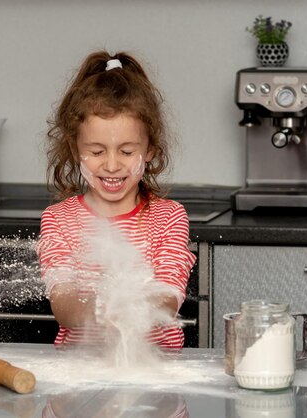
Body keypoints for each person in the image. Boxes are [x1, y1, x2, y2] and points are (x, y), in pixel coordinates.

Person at [35, 50, 196, 351]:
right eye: (96, 152)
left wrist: (133, 305)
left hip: (157, 380)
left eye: (126, 151)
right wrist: (103, 307)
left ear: (149, 150)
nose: (111, 165)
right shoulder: (59, 220)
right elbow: (63, 303)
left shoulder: (169, 218)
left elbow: (169, 297)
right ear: (75, 149)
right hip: (78, 380)